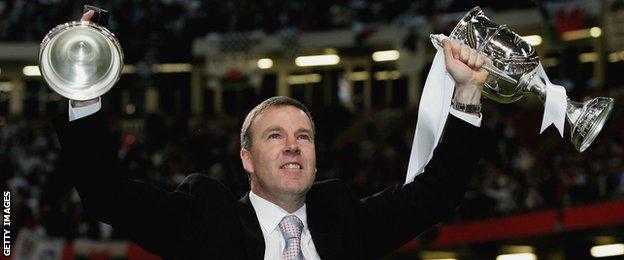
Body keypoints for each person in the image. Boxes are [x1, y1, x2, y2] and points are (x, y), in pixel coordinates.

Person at [54, 10, 489, 260]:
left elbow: (436, 193)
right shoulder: (205, 219)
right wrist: (84, 91)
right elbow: (105, 194)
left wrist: (467, 92)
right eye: (274, 136)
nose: (293, 145)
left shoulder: (344, 217)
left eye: (304, 136)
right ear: (246, 158)